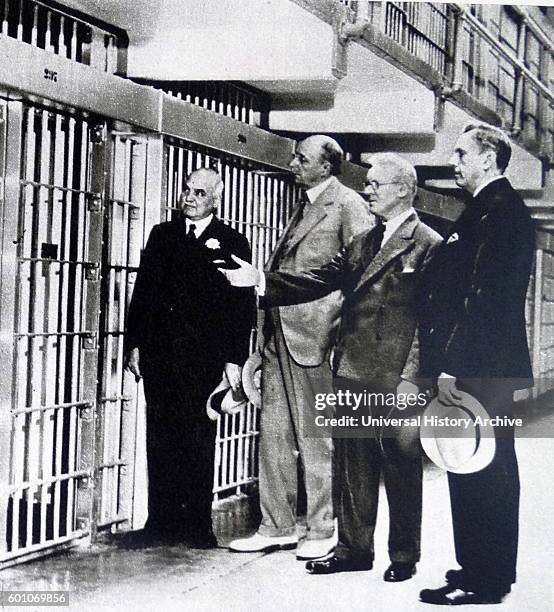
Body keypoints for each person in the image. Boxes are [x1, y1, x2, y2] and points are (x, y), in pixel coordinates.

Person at [222, 153, 442, 580]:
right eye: (369, 183)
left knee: (399, 464)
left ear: (402, 189)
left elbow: (430, 322)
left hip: (397, 374)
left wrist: (415, 380)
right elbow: (319, 278)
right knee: (352, 463)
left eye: (377, 184)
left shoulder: (428, 243)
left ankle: (403, 557)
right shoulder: (364, 243)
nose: (368, 190)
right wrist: (262, 281)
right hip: (354, 368)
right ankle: (353, 550)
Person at [228, 135, 372, 560]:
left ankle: (323, 527)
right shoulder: (306, 204)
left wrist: (340, 339)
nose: (293, 163)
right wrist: (264, 343)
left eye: (302, 158)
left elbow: (360, 277)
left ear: (326, 167)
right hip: (281, 338)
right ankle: (277, 525)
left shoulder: (348, 205)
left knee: (316, 439)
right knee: (273, 438)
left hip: (316, 340)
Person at [418, 124, 535, 605]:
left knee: (488, 468)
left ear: (489, 159)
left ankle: (488, 580)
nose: (454, 161)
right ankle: (474, 566)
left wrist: (452, 364)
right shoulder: (483, 211)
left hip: (483, 366)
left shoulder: (502, 213)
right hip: (480, 362)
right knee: (467, 463)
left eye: (463, 153)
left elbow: (485, 300)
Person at [124, 167, 255, 548]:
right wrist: (135, 343)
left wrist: (235, 358)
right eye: (186, 190)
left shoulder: (232, 241)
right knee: (160, 436)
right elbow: (144, 291)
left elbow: (241, 305)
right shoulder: (163, 235)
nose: (189, 198)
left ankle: (198, 524)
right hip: (161, 355)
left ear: (217, 198)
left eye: (199, 192)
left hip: (205, 358)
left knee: (199, 437)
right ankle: (159, 522)